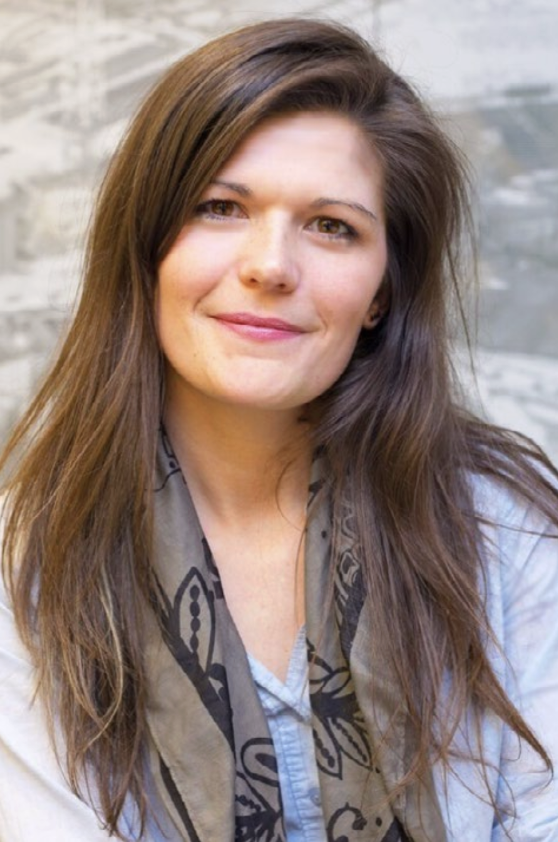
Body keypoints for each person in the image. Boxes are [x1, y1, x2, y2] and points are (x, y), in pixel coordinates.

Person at [1, 16, 557, 842]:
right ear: (147, 248)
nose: (270, 265)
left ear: (381, 293)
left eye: (333, 226)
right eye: (221, 207)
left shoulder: (507, 532)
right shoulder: (24, 564)